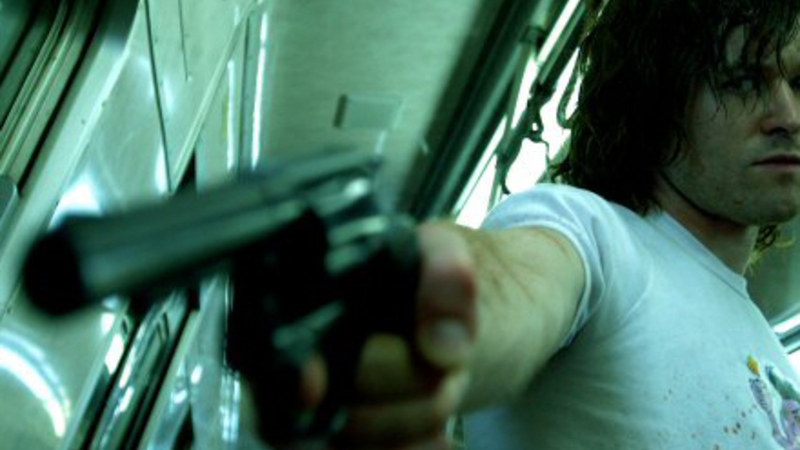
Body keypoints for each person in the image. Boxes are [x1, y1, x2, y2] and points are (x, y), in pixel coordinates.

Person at [288, 0, 800, 448]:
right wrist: (442, 314)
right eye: (742, 81)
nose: (788, 115)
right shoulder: (594, 235)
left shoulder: (770, 349)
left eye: (799, 84)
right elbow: (514, 285)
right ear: (657, 103)